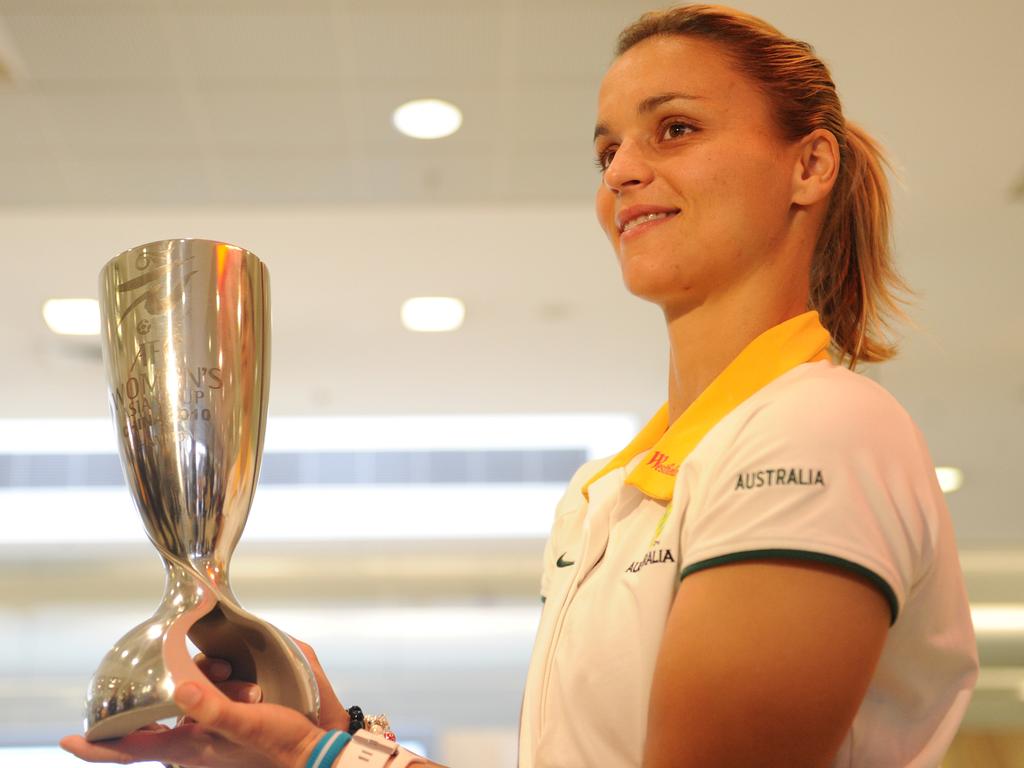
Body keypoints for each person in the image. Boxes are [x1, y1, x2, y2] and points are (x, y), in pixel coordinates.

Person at [61, 4, 978, 767]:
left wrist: (326, 761)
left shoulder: (818, 429)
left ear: (808, 166)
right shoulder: (607, 491)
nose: (622, 170)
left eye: (677, 129)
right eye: (605, 150)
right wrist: (325, 739)